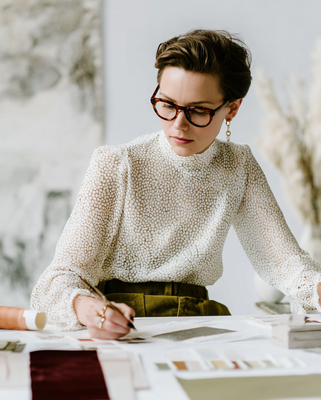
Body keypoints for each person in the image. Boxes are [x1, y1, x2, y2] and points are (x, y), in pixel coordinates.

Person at [31, 29, 321, 339]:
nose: (178, 124)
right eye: (167, 104)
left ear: (232, 109)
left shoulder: (239, 165)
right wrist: (89, 309)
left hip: (200, 322)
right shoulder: (117, 164)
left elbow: (284, 262)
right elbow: (60, 278)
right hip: (121, 320)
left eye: (198, 111)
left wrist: (315, 289)